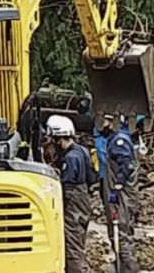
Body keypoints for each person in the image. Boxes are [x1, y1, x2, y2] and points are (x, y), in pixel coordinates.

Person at [47, 115, 96, 273]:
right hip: (83, 202)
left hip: (74, 205)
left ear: (58, 138)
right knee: (79, 241)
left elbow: (66, 188)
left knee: (72, 246)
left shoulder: (70, 157)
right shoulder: (82, 151)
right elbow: (91, 178)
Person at [99, 113, 140, 273]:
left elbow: (126, 165)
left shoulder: (119, 141)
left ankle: (128, 268)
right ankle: (124, 266)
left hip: (122, 197)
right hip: (123, 195)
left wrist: (117, 186)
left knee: (121, 232)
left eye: (107, 121)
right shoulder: (117, 139)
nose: (103, 124)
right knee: (123, 232)